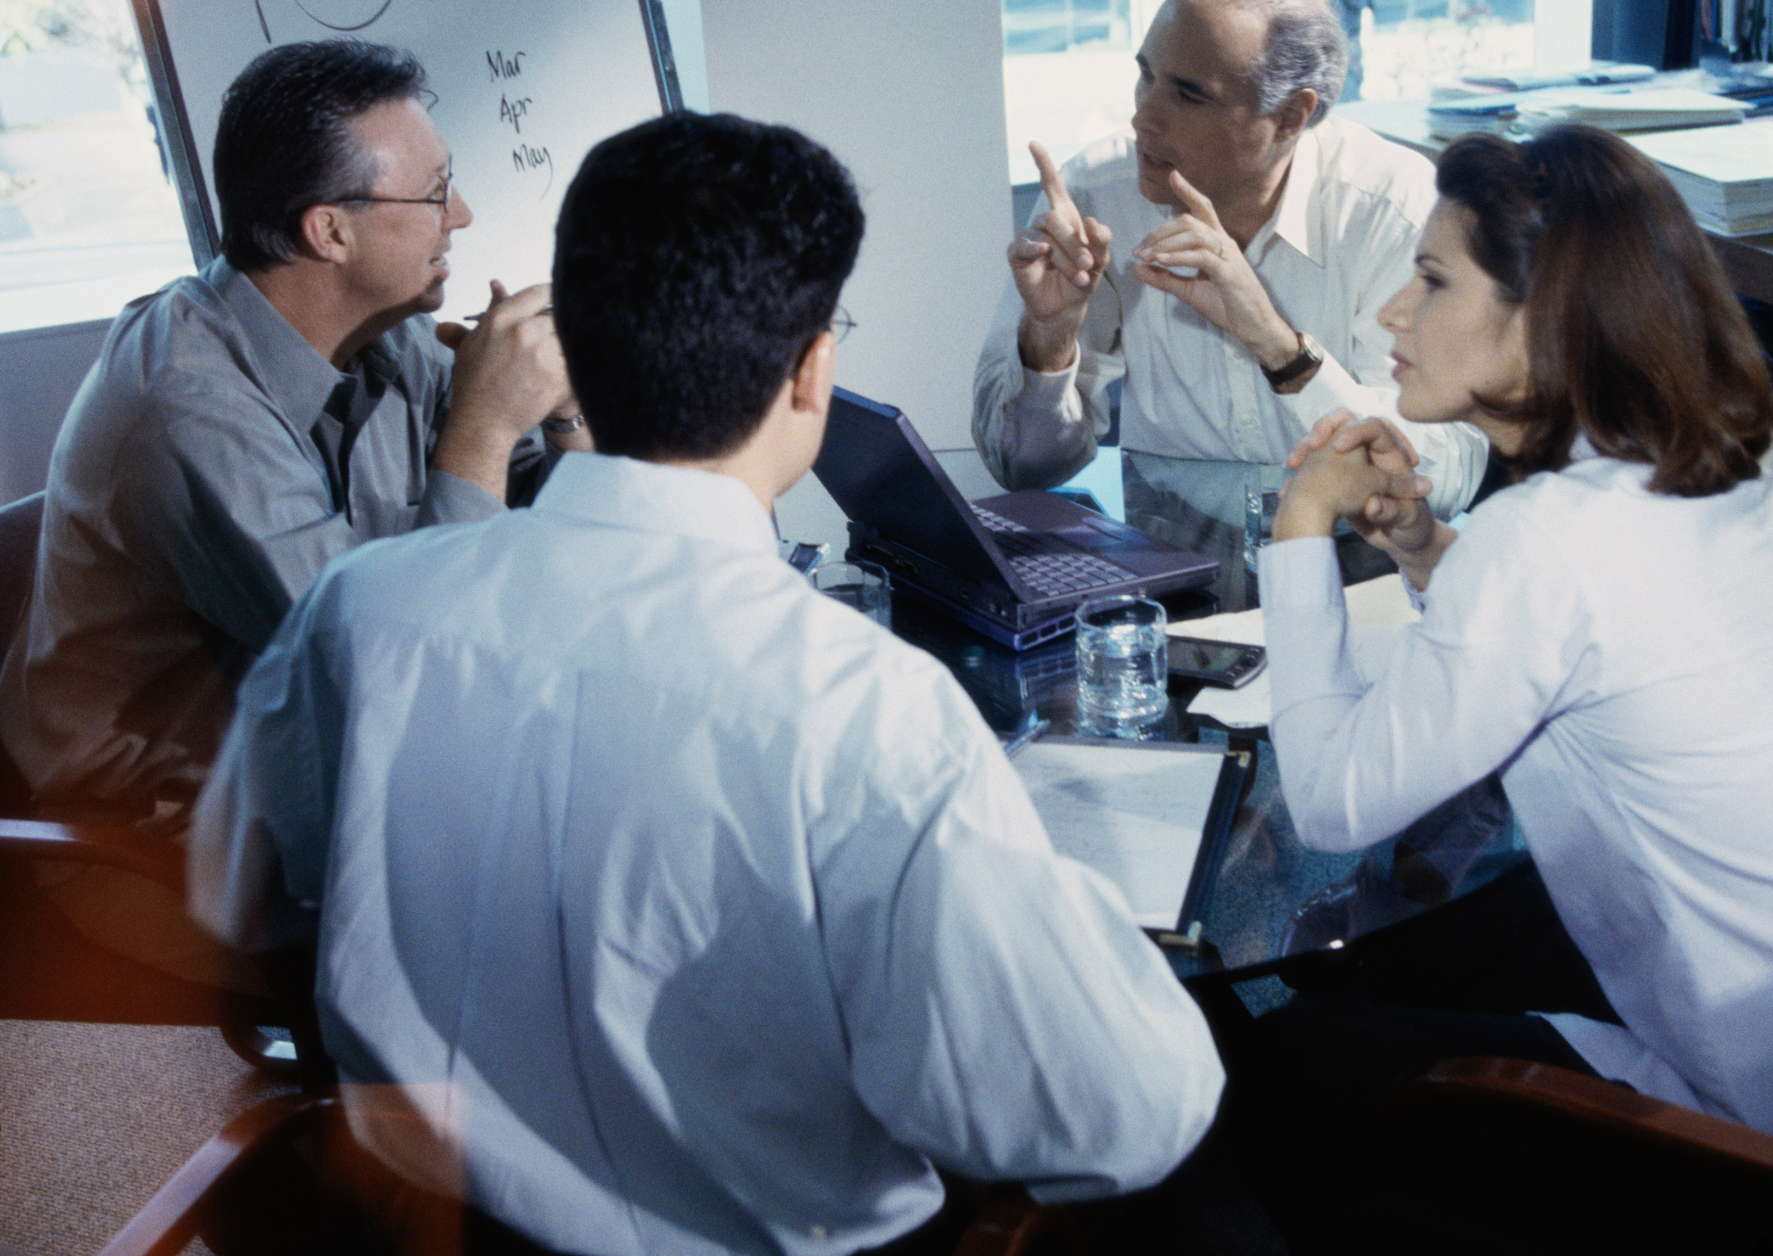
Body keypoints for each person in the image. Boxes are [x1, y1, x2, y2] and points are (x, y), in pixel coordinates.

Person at [188, 110, 1226, 1254]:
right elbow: (1124, 1118)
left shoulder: (363, 612)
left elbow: (240, 901)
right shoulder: (863, 708)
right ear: (813, 369)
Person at [1244, 123, 1773, 1244]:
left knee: (1287, 1059)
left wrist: (1301, 523)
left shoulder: (1545, 543)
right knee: (1389, 942)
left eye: (1433, 281)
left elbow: (1336, 800)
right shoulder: (1719, 449)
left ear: (1546, 321)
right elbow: (1578, 638)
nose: (1394, 312)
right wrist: (1431, 550)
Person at [0, 39, 586, 987]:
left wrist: (564, 416)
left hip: (330, 770)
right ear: (329, 232)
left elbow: (555, 537)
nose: (461, 216)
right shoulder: (180, 406)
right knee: (577, 893)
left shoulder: (385, 343)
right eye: (435, 193)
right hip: (174, 844)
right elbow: (394, 682)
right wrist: (481, 423)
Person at [972, 0, 1487, 521]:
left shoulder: (1395, 209)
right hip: (1174, 575)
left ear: (1291, 116)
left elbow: (1447, 479)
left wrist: (1276, 343)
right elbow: (1020, 470)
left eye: (1189, 94)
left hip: (1359, 572)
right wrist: (1050, 337)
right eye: (1146, 76)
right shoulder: (1094, 196)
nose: (1144, 117)